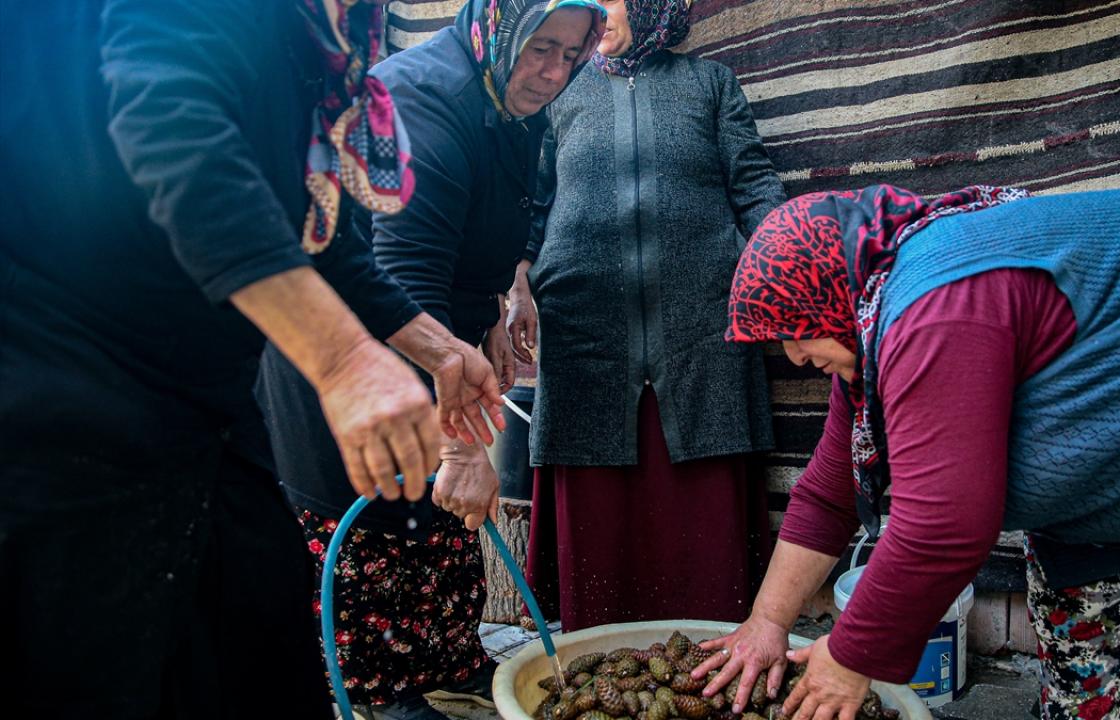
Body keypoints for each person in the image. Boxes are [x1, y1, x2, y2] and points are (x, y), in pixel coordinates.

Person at [0, 1, 505, 716]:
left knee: (261, 638)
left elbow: (314, 233)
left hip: (202, 407)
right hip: (65, 407)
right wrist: (342, 360)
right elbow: (174, 135)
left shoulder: (314, 39)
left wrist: (439, 347)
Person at [690, 182, 1120, 720]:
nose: (794, 356)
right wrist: (766, 623)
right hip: (1098, 536)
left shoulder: (932, 305)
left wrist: (848, 658)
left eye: (793, 330)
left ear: (827, 293)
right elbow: (829, 492)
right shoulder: (868, 341)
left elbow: (942, 525)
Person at [255, 0, 606, 716]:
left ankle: (447, 658)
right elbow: (404, 275)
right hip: (351, 341)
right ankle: (380, 689)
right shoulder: (425, 102)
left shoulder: (507, 99)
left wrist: (500, 305)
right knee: (380, 504)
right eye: (542, 48)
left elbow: (494, 214)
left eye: (572, 55)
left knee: (443, 512)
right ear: (499, 30)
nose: (554, 72)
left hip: (435, 333)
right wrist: (461, 445)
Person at [506, 0, 786, 631]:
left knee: (701, 475)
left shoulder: (709, 83)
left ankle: (712, 642)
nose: (593, 19)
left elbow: (753, 184)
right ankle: (598, 642)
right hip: (585, 321)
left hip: (701, 317)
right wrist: (518, 278)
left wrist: (785, 264)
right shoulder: (561, 92)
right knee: (595, 470)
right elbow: (530, 199)